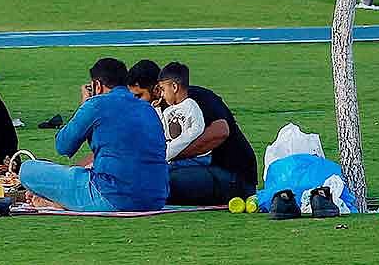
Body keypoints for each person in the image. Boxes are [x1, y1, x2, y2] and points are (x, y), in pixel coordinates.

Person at [20, 57, 168, 212]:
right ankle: (60, 202)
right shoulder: (148, 108)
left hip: (113, 196)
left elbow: (63, 146)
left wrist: (85, 105)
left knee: (27, 169)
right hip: (155, 198)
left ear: (97, 85)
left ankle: (60, 202)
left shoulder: (95, 104)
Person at [165, 73, 258, 205]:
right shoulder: (162, 106)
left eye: (139, 95)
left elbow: (220, 132)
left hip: (233, 176)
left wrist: (173, 155)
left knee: (157, 180)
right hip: (206, 170)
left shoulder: (195, 99)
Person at [156, 62, 206, 161]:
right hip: (173, 157)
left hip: (193, 160)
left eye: (163, 89)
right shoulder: (168, 111)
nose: (161, 95)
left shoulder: (191, 106)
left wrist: (168, 152)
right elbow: (161, 130)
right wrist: (157, 110)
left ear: (174, 87)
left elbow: (196, 130)